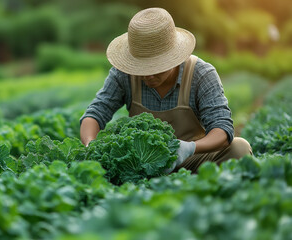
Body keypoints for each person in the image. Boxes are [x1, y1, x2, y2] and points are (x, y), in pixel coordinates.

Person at [80, 8, 252, 174]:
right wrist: (91, 147)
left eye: (156, 67)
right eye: (141, 68)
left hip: (191, 159)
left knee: (239, 148)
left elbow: (222, 130)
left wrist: (188, 148)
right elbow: (95, 113)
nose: (148, 75)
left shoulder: (201, 74)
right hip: (140, 163)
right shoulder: (124, 74)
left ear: (174, 58)